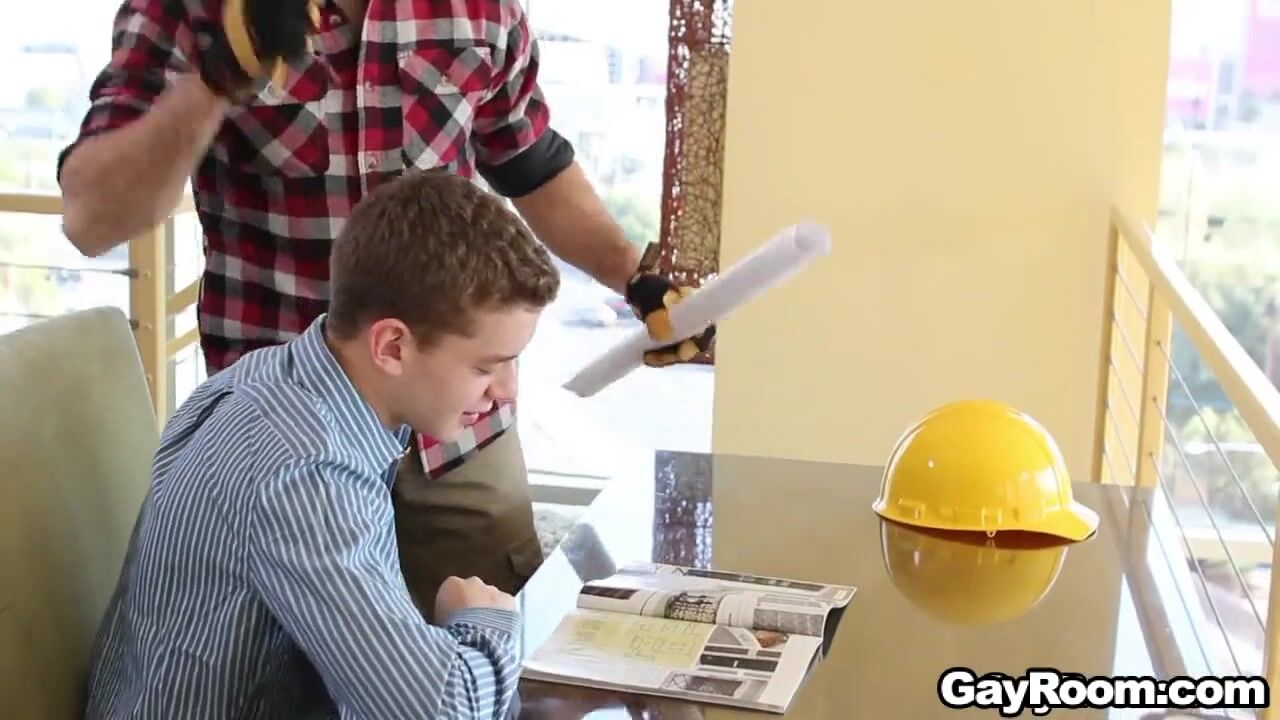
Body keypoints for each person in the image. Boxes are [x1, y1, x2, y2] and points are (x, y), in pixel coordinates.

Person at [57, 0, 714, 618]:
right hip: (285, 446)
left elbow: (530, 161)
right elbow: (92, 219)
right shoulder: (189, 9)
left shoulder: (479, 8)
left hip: (456, 436)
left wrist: (635, 278)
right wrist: (215, 81)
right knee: (293, 676)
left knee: (504, 645)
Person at [85, 169, 556, 718]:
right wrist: (485, 621)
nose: (507, 391)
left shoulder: (265, 376)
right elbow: (436, 712)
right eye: (487, 366)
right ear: (392, 346)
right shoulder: (307, 472)